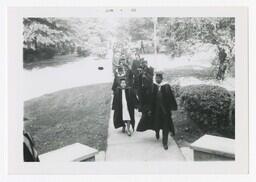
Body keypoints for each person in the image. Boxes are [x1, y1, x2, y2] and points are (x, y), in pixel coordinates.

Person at [137, 72, 177, 150]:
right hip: (156, 110)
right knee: (157, 123)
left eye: (158, 78)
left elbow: (170, 97)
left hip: (165, 111)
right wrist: (148, 109)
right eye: (156, 78)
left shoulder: (166, 86)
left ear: (161, 79)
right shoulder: (153, 86)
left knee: (165, 126)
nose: (157, 79)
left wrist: (171, 107)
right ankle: (157, 132)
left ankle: (165, 142)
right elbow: (149, 97)